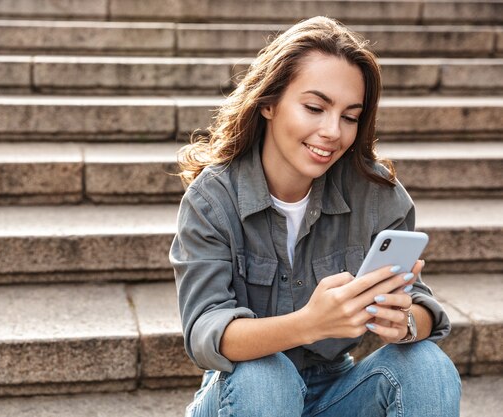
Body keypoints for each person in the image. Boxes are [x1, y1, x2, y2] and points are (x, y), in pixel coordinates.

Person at [169, 16, 461, 417]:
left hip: (337, 388)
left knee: (426, 366)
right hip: (242, 391)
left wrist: (407, 320)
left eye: (349, 116)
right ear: (268, 102)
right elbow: (206, 333)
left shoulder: (375, 193)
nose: (332, 131)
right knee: (267, 378)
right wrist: (310, 322)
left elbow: (425, 308)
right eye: (315, 107)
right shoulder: (213, 199)